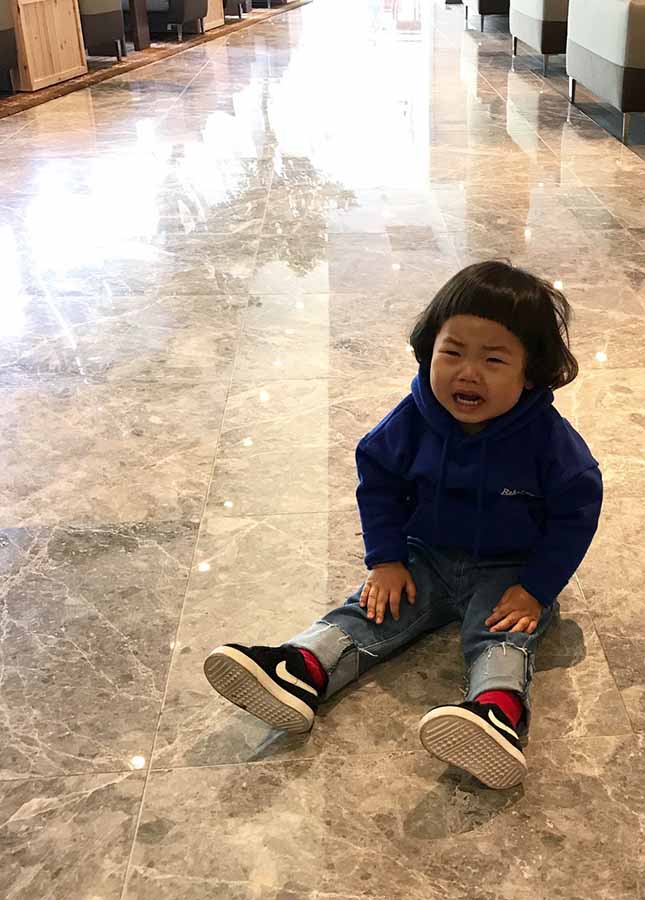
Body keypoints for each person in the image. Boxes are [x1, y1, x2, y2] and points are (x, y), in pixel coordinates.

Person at [204, 260, 603, 789]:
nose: (468, 372)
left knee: (502, 632)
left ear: (530, 372)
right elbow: (379, 482)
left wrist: (535, 588)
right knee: (373, 608)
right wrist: (387, 559)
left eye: (493, 359)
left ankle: (497, 713)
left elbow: (576, 512)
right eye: (452, 352)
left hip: (510, 567)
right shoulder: (414, 419)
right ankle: (301, 667)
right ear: (428, 349)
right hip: (425, 555)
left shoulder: (549, 442)